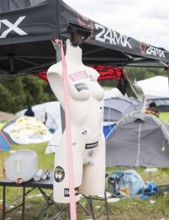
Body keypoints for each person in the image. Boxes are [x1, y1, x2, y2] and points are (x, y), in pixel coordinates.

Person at [47, 39, 105, 203]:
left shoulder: (92, 73)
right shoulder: (57, 70)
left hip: (98, 141)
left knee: (95, 193)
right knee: (68, 199)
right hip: (74, 144)